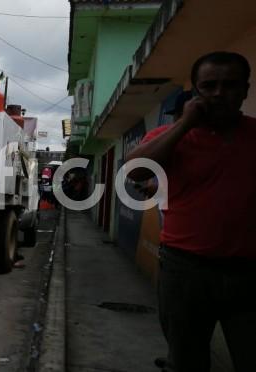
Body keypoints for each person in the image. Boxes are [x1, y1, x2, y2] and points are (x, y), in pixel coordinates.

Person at [126, 51, 256, 372]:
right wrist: (185, 124)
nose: (219, 93)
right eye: (209, 86)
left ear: (245, 91)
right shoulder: (173, 136)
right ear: (196, 92)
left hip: (249, 273)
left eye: (230, 85)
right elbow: (136, 171)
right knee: (186, 360)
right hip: (185, 270)